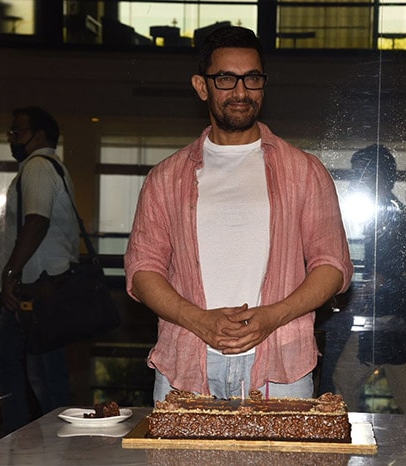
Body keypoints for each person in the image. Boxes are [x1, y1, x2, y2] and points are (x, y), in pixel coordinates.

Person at [124, 26, 353, 403]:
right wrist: (199, 320)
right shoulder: (165, 177)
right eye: (227, 79)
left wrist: (272, 317)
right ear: (202, 86)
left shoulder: (305, 171)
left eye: (252, 78)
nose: (241, 92)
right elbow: (143, 268)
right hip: (185, 358)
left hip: (282, 360)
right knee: (178, 464)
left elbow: (332, 266)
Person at [0, 106, 77, 433]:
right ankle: (42, 441)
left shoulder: (38, 167)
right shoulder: (49, 167)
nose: (12, 138)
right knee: (40, 371)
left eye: (18, 132)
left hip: (34, 287)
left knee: (13, 364)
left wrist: (11, 271)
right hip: (41, 285)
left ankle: (24, 439)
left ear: (40, 136)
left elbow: (37, 221)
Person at [332, 144, 406, 415]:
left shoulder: (387, 217)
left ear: (374, 175)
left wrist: (356, 295)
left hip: (383, 318)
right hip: (398, 316)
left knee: (344, 378)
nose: (355, 179)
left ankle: (347, 436)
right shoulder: (396, 211)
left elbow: (385, 274)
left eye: (359, 173)